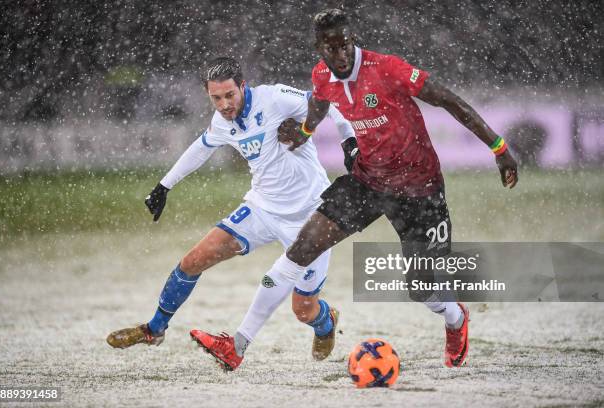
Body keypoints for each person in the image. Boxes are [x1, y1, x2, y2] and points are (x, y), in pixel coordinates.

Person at [196, 9, 518, 369]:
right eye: (331, 48)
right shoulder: (322, 75)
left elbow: (448, 99)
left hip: (419, 189)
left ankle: (455, 317)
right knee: (302, 248)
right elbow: (319, 102)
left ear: (353, 40)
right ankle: (237, 347)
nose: (341, 54)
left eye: (345, 44)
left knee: (420, 288)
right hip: (368, 181)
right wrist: (304, 133)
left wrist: (499, 149)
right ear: (320, 49)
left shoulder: (388, 69)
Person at [106, 56, 356, 370]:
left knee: (303, 310)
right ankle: (154, 330)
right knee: (193, 260)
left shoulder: (275, 97)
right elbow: (201, 146)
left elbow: (326, 101)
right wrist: (164, 186)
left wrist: (347, 139)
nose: (224, 104)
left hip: (311, 216)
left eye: (229, 95)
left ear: (242, 86)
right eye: (216, 98)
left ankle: (325, 322)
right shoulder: (222, 121)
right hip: (261, 208)